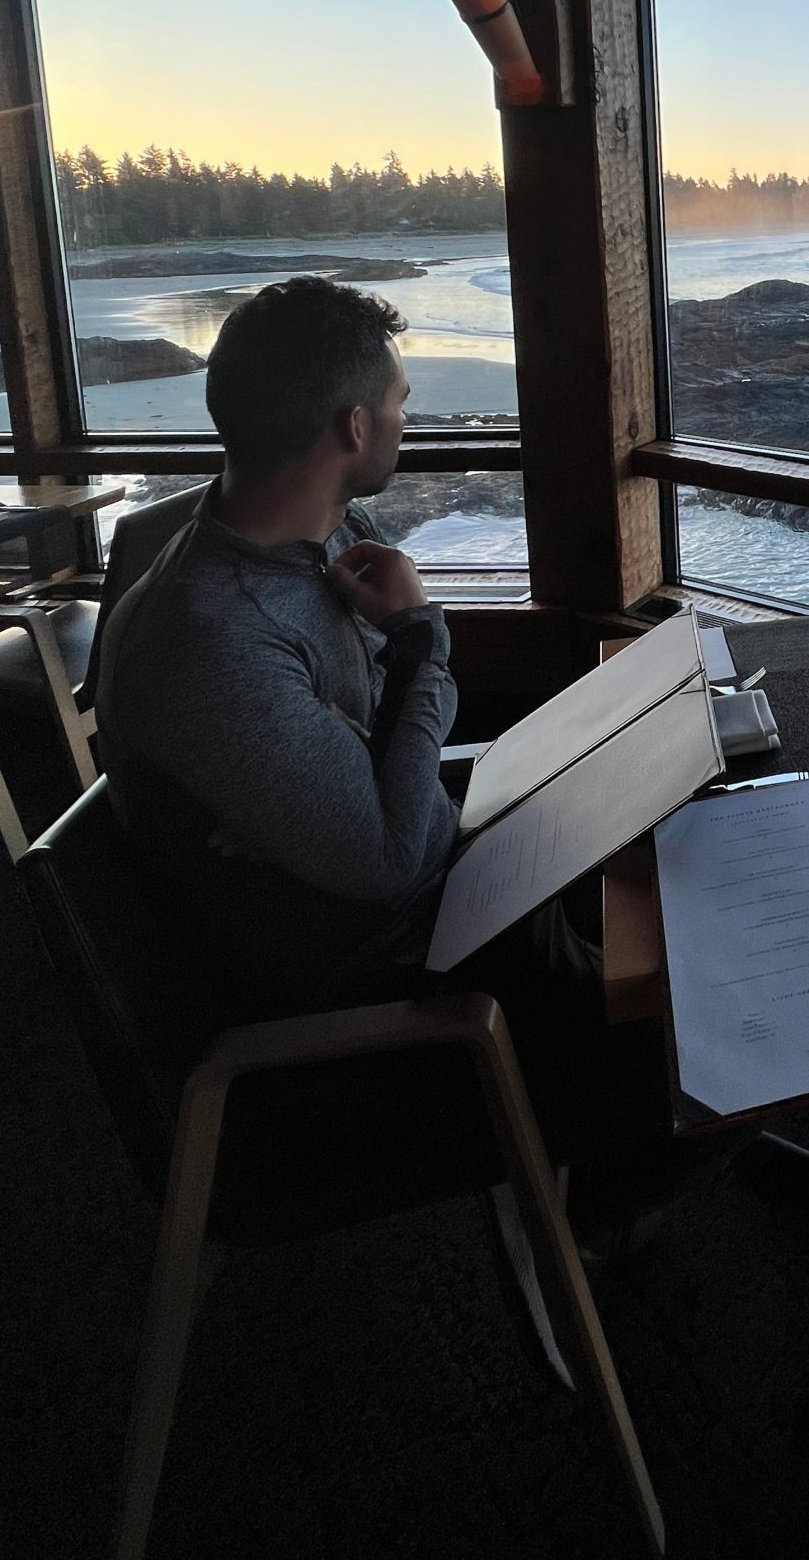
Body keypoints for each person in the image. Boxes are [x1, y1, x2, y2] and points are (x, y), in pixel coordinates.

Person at [99, 275, 663, 1169]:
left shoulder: (325, 534)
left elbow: (390, 802)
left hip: (399, 893)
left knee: (640, 841)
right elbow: (396, 854)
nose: (407, 417)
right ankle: (614, 1188)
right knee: (701, 1045)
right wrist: (416, 639)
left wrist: (348, 765)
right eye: (399, 402)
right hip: (364, 997)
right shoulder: (215, 641)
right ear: (354, 428)